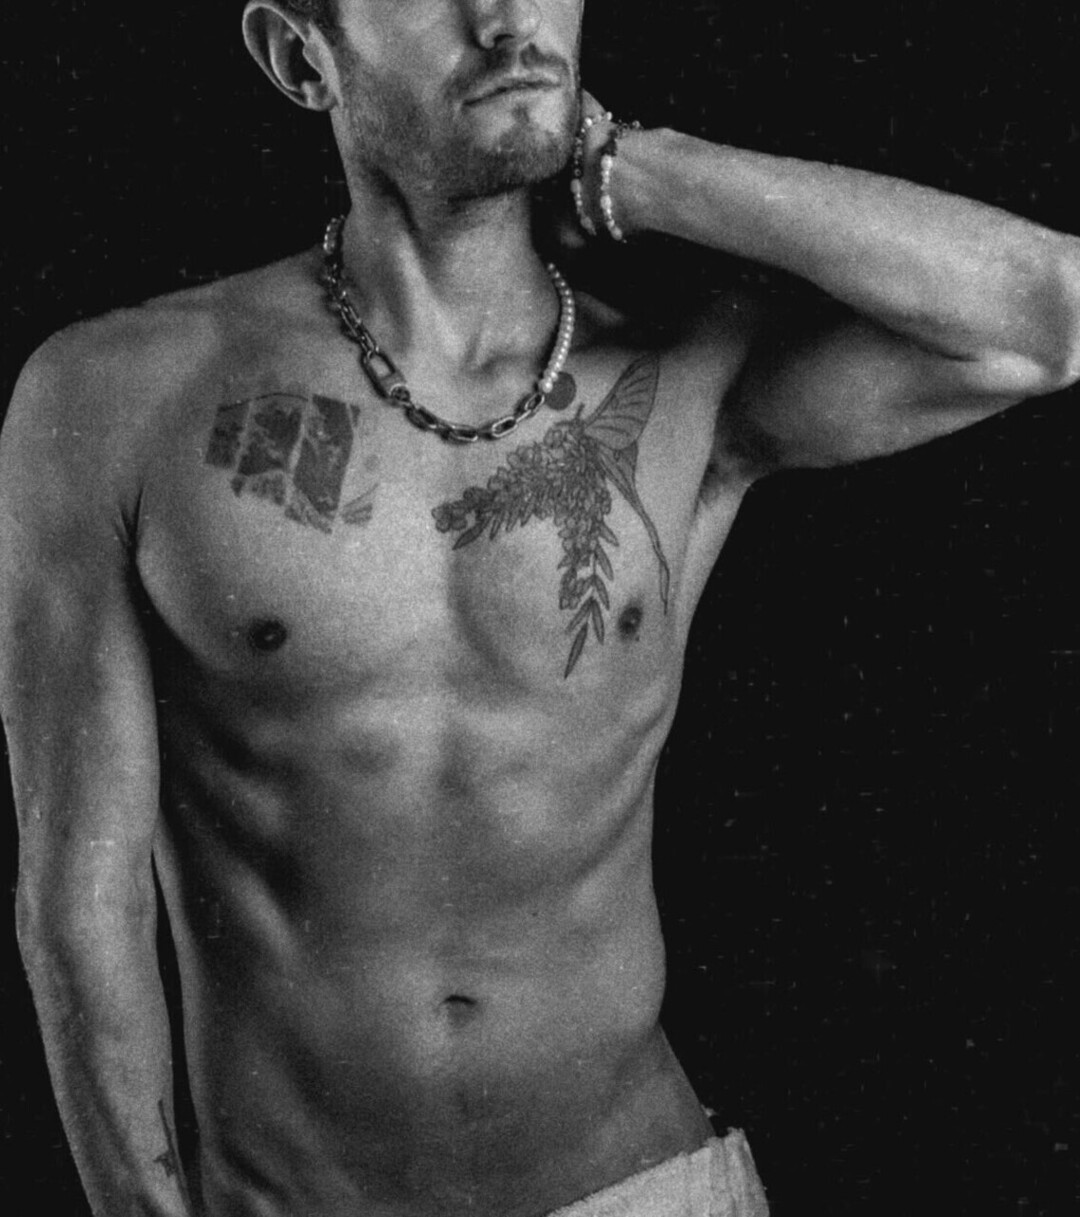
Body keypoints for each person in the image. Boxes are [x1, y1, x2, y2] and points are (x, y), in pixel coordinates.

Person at [2, 1, 1078, 1214]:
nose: (507, 19)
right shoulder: (118, 395)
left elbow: (1051, 315)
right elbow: (81, 899)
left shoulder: (680, 372)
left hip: (642, 1186)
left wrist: (649, 172)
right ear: (302, 57)